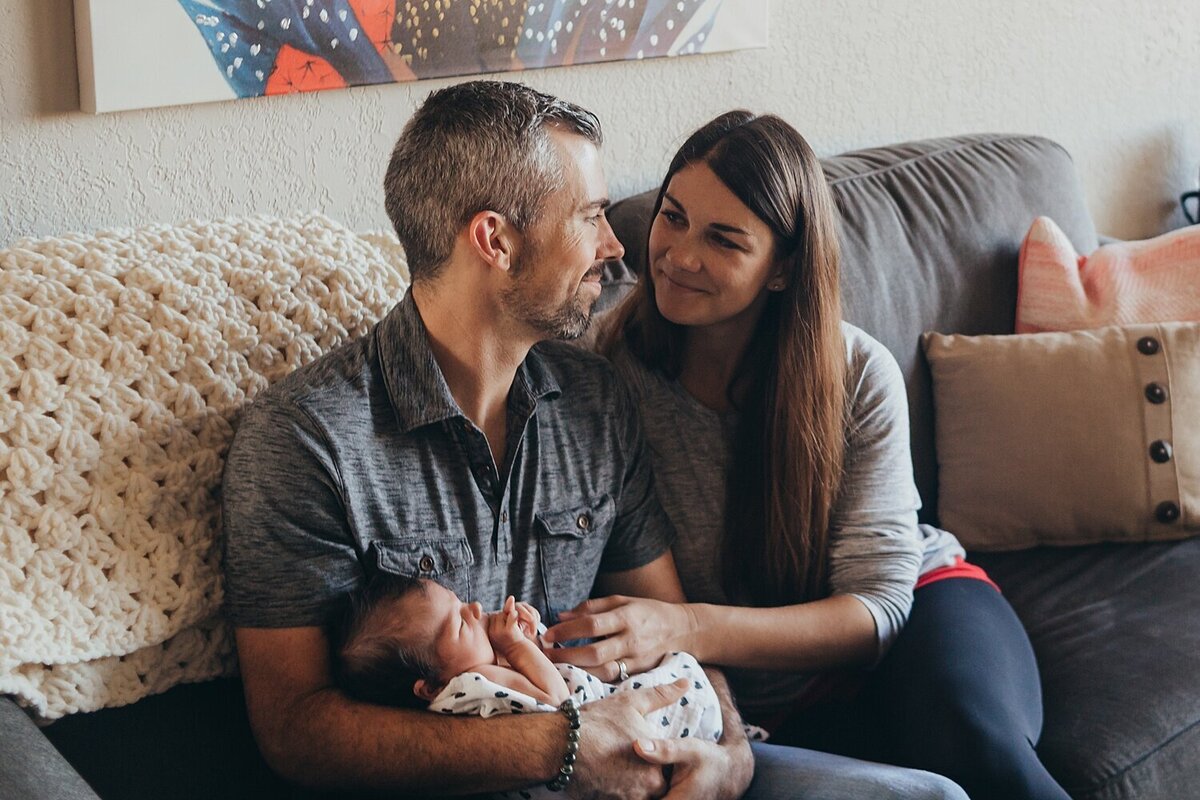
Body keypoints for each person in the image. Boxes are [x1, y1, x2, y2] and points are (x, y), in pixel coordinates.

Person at [221, 81, 967, 799]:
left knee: (927, 796)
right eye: (591, 216)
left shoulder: (596, 402)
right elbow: (295, 731)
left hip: (654, 752)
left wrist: (730, 755)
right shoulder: (307, 441)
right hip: (479, 779)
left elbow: (671, 632)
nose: (618, 247)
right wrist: (562, 748)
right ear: (496, 241)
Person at [544, 110, 1074, 800]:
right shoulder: (605, 374)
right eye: (672, 218)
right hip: (746, 692)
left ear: (782, 268)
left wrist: (687, 625)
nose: (677, 255)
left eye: (723, 240)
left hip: (916, 614)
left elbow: (876, 610)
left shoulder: (856, 373)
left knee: (976, 746)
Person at [333, 574, 723, 749]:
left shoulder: (467, 681)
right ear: (431, 686)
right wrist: (516, 646)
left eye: (458, 602)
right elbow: (556, 701)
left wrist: (524, 638)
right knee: (680, 667)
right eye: (458, 624)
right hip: (620, 723)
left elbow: (530, 688)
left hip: (607, 711)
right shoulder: (469, 686)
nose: (473, 608)